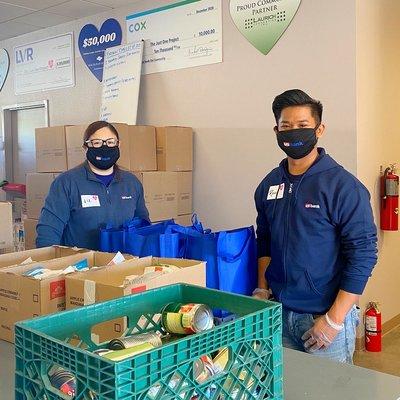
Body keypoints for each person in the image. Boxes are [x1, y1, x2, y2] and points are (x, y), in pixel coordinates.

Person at [253, 89, 377, 363]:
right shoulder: (269, 185)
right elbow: (265, 240)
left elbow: (364, 254)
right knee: (284, 390)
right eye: (286, 126)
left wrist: (333, 321)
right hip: (278, 316)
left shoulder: (343, 187)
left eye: (302, 126)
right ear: (276, 130)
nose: (293, 133)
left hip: (323, 318)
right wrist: (261, 289)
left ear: (319, 129)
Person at [36, 121, 149, 250]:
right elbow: (48, 232)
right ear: (86, 147)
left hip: (125, 265)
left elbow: (143, 227)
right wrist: (52, 264)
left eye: (110, 142)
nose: (105, 147)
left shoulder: (132, 183)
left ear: (119, 144)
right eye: (97, 143)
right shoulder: (67, 183)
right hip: (81, 266)